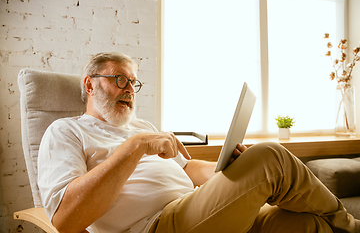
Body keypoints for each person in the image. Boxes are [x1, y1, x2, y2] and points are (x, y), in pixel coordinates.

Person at [38, 52, 360, 233]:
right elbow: (66, 220)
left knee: (305, 225)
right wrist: (135, 147)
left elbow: (189, 168)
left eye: (134, 83)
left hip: (203, 209)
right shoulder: (65, 132)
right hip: (157, 226)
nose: (129, 89)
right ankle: (350, 225)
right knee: (271, 158)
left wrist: (228, 171)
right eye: (119, 79)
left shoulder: (143, 126)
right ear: (90, 85)